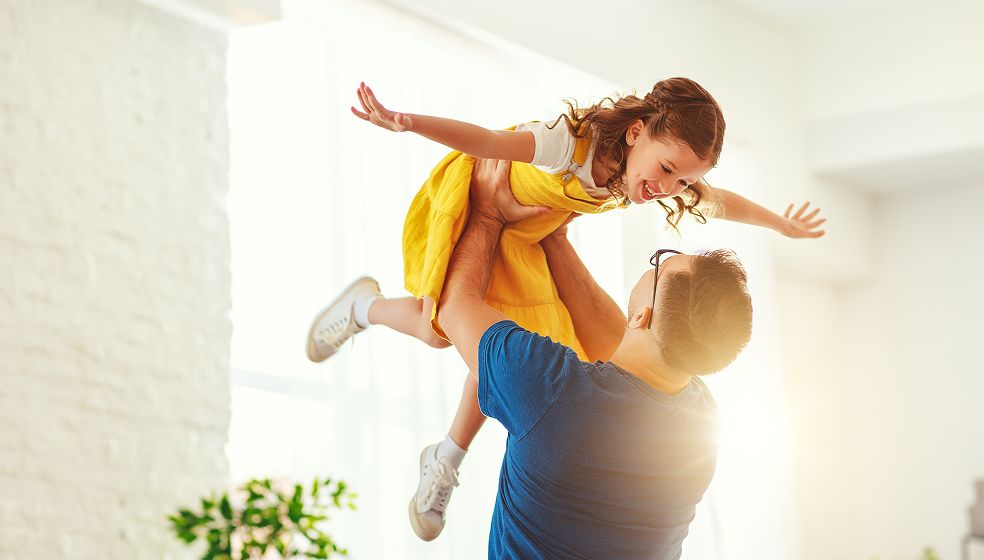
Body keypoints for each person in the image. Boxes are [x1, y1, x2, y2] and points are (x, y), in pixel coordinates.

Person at [306, 78, 813, 540]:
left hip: (522, 231)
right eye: (666, 171)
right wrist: (407, 123)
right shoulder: (570, 145)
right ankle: (363, 308)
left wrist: (777, 224)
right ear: (635, 132)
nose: (669, 189)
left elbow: (720, 201)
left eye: (682, 182)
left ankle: (445, 455)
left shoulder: (657, 178)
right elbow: (485, 142)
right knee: (437, 327)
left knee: (504, 345)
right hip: (481, 195)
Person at [442, 157, 752, 558]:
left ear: (642, 315)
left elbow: (455, 308)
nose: (652, 264)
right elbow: (618, 346)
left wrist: (486, 213)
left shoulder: (551, 389)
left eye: (660, 262)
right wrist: (554, 240)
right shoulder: (700, 423)